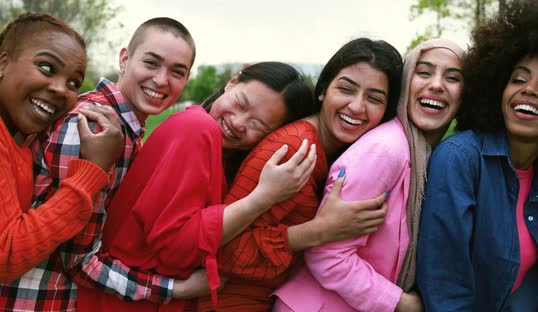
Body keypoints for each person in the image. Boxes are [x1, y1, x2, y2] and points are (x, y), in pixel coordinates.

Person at [75, 61, 321, 311]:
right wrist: (262, 198)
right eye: (241, 104)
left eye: (258, 124)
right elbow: (175, 249)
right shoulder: (197, 128)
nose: (238, 122)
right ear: (232, 82)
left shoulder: (219, 153)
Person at [0, 17, 196, 311]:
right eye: (151, 63)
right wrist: (174, 289)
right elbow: (79, 261)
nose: (161, 80)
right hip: (35, 301)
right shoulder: (92, 127)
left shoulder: (125, 132)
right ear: (125, 59)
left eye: (177, 72)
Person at [196, 37, 405, 311]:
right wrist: (318, 232)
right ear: (323, 90)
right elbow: (224, 251)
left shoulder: (329, 151)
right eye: (346, 89)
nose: (356, 106)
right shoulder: (295, 149)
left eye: (374, 98)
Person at [416, 0, 538, 311]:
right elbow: (444, 290)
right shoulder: (460, 160)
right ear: (498, 89)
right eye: (518, 79)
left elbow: (524, 293)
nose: (530, 90)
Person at [274, 38, 465, 312]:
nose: (436, 84)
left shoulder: (421, 153)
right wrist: (401, 302)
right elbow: (327, 254)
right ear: (405, 82)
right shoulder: (386, 149)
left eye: (453, 78)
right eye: (424, 72)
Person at [0, 12, 123, 283]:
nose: (60, 89)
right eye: (46, 67)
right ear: (3, 63)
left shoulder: (24, 137)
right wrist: (91, 171)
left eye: (73, 83)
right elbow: (6, 256)